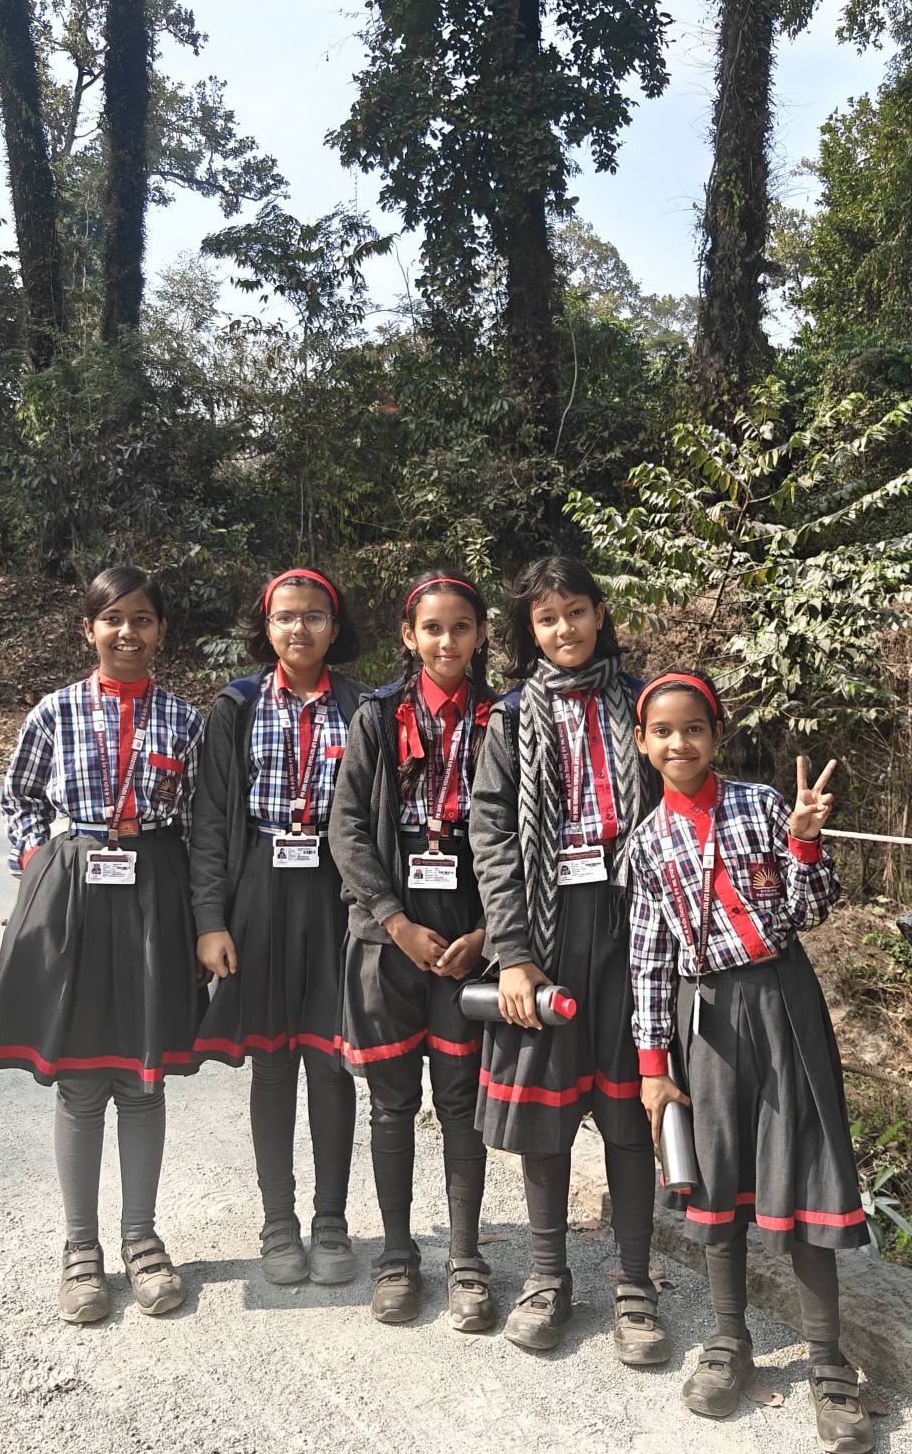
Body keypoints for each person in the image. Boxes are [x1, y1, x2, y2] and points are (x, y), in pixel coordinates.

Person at [627, 671, 873, 1450]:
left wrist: (804, 840)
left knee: (806, 1163)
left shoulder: (761, 805)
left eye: (694, 728)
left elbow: (811, 908)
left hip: (782, 1001)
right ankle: (729, 1339)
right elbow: (648, 961)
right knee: (719, 1167)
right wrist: (653, 1064)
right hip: (705, 1021)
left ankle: (828, 1362)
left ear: (716, 735)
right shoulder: (646, 844)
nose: (680, 743)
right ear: (643, 743)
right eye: (664, 731)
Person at [0, 565, 206, 1325]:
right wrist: (37, 869)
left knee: (143, 1080)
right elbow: (19, 796)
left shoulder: (184, 720)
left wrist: (200, 916)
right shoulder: (54, 712)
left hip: (154, 896)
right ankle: (82, 1250)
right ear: (89, 630)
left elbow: (201, 823)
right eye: (113, 619)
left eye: (142, 619)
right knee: (81, 1082)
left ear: (161, 631)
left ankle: (142, 1239)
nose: (127, 632)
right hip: (75, 893)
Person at [469, 555, 667, 1364]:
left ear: (600, 613)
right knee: (547, 1115)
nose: (564, 629)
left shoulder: (643, 704)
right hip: (545, 932)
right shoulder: (512, 717)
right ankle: (547, 1277)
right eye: (547, 619)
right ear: (530, 631)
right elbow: (491, 834)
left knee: (628, 1111)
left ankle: (635, 1284)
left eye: (575, 612)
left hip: (630, 925)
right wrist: (513, 953)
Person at [189, 566, 368, 1286]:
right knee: (272, 1061)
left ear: (334, 626)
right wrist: (210, 919)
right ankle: (278, 1222)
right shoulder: (236, 705)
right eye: (286, 616)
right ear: (266, 628)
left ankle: (331, 1221)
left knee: (331, 1056)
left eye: (315, 616)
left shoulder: (361, 706)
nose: (300, 628)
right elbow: (210, 821)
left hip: (335, 889)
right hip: (260, 885)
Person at [329, 569, 495, 1329]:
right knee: (393, 1103)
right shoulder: (377, 715)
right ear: (409, 635)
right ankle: (397, 1255)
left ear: (481, 635)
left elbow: (525, 831)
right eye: (432, 628)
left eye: (461, 627)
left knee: (460, 1101)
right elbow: (347, 829)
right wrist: (394, 920)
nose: (446, 641)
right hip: (389, 927)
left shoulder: (502, 718)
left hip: (469, 922)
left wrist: (489, 931)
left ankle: (466, 1260)